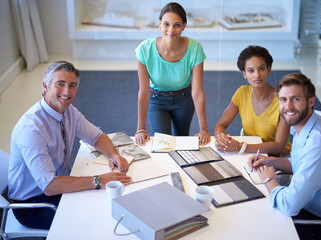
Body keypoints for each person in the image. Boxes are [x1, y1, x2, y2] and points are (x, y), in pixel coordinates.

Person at [8, 61, 132, 230]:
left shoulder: (68, 111)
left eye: (72, 86)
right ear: (45, 86)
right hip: (35, 204)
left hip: (59, 186)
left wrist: (114, 155)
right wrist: (99, 180)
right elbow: (50, 186)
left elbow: (96, 136)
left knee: (105, 202)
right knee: (96, 220)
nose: (67, 92)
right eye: (60, 84)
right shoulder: (31, 129)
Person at [248, 73, 321, 239]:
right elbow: (300, 163)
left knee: (251, 223)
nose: (288, 106)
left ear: (311, 101)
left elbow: (289, 206)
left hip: (314, 220)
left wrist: (269, 180)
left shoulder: (318, 144)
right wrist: (270, 160)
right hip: (305, 201)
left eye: (296, 99)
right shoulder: (305, 123)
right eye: (283, 100)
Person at [134, 2, 210, 146]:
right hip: (157, 101)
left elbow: (198, 92)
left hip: (184, 100)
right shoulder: (144, 50)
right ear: (159, 25)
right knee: (164, 144)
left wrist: (204, 129)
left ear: (184, 26)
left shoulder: (195, 49)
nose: (171, 30)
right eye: (166, 24)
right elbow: (144, 92)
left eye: (177, 25)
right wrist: (140, 129)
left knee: (181, 143)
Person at [214, 45, 291, 156]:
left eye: (261, 69)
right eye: (251, 70)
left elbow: (278, 147)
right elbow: (220, 125)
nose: (257, 75)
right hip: (251, 154)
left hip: (278, 159)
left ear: (268, 69)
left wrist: (240, 147)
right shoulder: (242, 93)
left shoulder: (283, 101)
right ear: (244, 74)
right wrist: (221, 139)